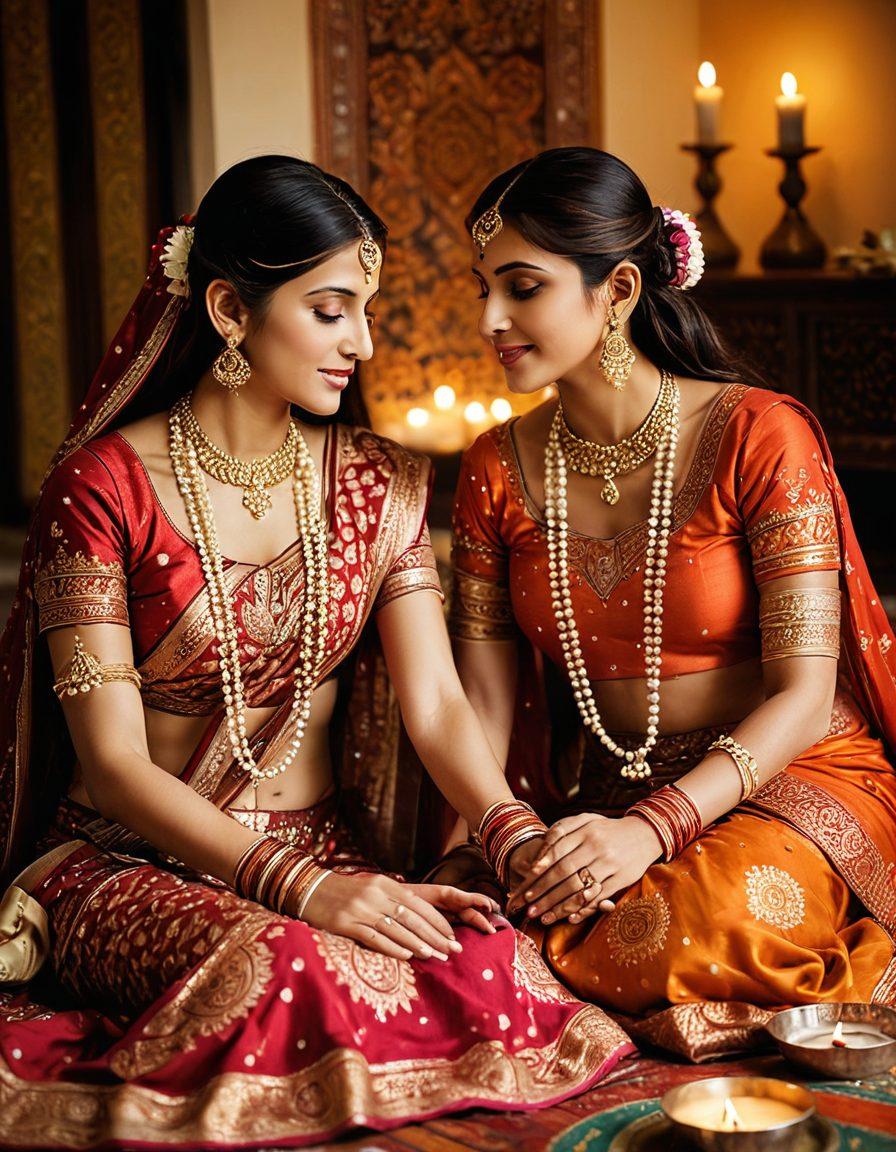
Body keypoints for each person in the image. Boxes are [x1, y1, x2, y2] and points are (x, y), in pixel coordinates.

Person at [0, 156, 632, 1149]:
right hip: (128, 862)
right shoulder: (103, 490)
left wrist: (507, 832)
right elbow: (115, 767)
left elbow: (434, 705)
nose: (363, 344)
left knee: (492, 958)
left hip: (328, 848)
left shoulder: (377, 483)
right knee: (282, 967)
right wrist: (302, 892)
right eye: (332, 310)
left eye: (365, 312)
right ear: (226, 307)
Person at [449, 147, 896, 1061]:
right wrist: (497, 839)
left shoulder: (757, 434)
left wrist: (652, 832)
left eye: (522, 287)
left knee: (705, 923)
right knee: (472, 934)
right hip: (612, 793)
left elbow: (807, 696)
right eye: (483, 287)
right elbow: (484, 705)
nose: (491, 319)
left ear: (616, 289)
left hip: (792, 774)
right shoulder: (495, 468)